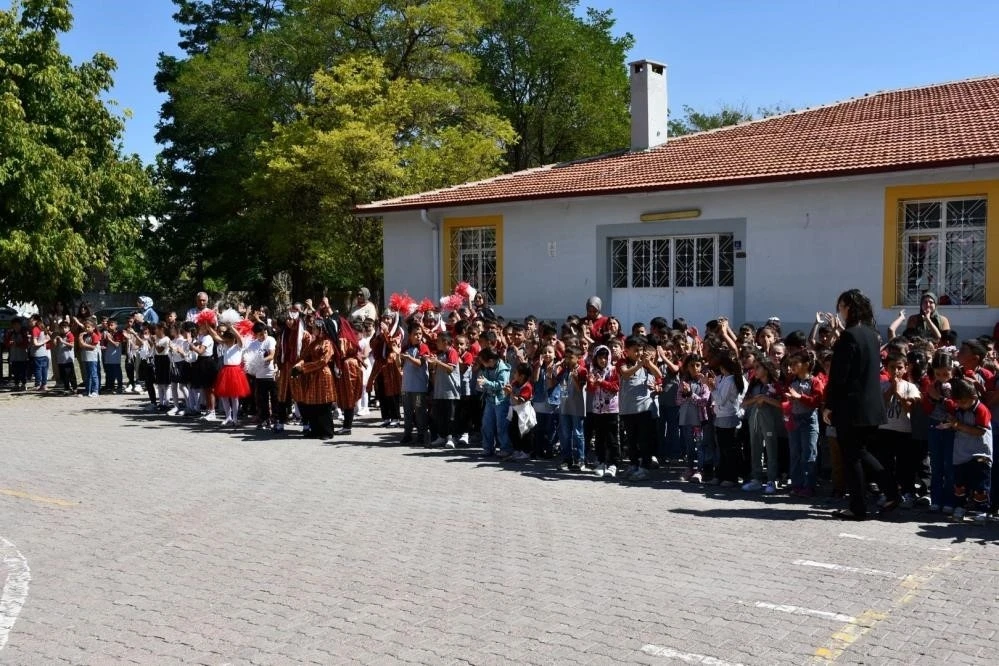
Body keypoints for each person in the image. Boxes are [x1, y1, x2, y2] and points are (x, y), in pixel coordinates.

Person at [823, 289, 899, 520]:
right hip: (870, 407)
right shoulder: (872, 334)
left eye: (841, 307)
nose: (840, 311)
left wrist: (829, 404)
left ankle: (860, 506)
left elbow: (839, 376)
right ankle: (889, 492)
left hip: (851, 407)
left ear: (849, 307)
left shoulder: (849, 336)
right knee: (861, 453)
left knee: (853, 456)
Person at [941, 378, 992, 521]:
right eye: (957, 402)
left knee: (980, 484)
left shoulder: (981, 409)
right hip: (961, 453)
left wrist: (958, 425)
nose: (960, 405)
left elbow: (980, 431)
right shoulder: (957, 407)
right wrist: (948, 424)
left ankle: (981, 510)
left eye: (963, 402)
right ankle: (960, 506)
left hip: (980, 453)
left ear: (973, 396)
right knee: (960, 484)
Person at [785, 350, 825, 497]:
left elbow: (817, 401)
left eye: (796, 363)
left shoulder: (815, 381)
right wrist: (790, 398)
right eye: (791, 363)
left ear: (806, 364)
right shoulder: (792, 381)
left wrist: (799, 397)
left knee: (809, 454)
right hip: (794, 419)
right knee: (795, 453)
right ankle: (796, 484)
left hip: (809, 420)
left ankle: (809, 485)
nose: (792, 366)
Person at [290, 316, 336, 440]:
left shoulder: (327, 343)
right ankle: (315, 430)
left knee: (323, 404)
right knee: (312, 404)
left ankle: (327, 431)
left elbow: (323, 361)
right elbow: (305, 356)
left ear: (321, 329)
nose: (313, 329)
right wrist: (299, 364)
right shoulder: (313, 342)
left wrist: (304, 368)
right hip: (312, 375)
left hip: (323, 375)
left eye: (315, 328)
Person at [213, 326, 250, 427]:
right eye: (225, 340)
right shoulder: (225, 345)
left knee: (234, 397)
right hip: (226, 371)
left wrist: (232, 327)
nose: (226, 341)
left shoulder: (238, 346)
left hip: (235, 372)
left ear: (233, 339)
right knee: (224, 396)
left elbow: (239, 338)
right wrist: (208, 327)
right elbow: (216, 336)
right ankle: (228, 417)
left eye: (228, 340)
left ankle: (235, 418)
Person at [429, 331, 461, 449]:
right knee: (440, 416)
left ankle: (452, 438)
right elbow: (436, 370)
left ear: (445, 342)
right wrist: (432, 364)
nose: (436, 343)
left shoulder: (452, 352)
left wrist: (437, 362)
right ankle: (442, 437)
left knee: (451, 417)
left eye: (438, 341)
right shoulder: (440, 354)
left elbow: (450, 369)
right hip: (440, 391)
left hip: (451, 392)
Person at [28, 314, 51, 391]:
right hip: (44, 353)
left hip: (37, 353)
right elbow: (48, 337)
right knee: (44, 369)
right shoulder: (43, 328)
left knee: (38, 369)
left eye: (31, 320)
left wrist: (44, 341)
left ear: (36, 321)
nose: (30, 322)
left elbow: (36, 343)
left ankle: (38, 384)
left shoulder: (35, 329)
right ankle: (44, 385)